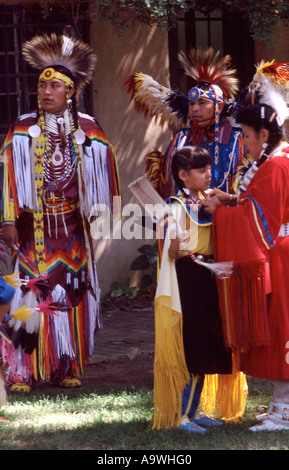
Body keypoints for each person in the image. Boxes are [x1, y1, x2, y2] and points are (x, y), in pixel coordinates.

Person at [1, 33, 121, 391]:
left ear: (71, 92)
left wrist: (100, 206)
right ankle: (22, 369)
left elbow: (105, 174)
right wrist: (7, 219)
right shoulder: (22, 129)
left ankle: (65, 365)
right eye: (41, 86)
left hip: (71, 231)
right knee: (28, 294)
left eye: (54, 86)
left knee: (72, 293)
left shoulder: (88, 130)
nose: (45, 92)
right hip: (31, 231)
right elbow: (5, 176)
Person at [205, 60, 289, 431]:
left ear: (265, 136)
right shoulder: (280, 160)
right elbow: (258, 207)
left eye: (249, 137)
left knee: (282, 329)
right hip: (283, 249)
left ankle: (283, 411)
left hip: (282, 254)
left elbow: (259, 221)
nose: (246, 144)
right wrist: (230, 200)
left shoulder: (275, 166)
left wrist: (219, 210)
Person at [153, 146, 247, 432]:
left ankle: (196, 411)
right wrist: (176, 243)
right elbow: (170, 254)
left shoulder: (209, 200)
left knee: (207, 342)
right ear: (183, 175)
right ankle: (182, 416)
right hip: (188, 279)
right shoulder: (174, 206)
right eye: (201, 170)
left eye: (209, 169)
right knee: (192, 345)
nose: (209, 175)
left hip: (210, 278)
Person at [124, 48, 244, 199]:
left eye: (202, 103)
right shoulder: (179, 140)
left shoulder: (238, 141)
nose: (195, 109)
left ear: (219, 107)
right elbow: (168, 187)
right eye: (191, 103)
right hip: (185, 218)